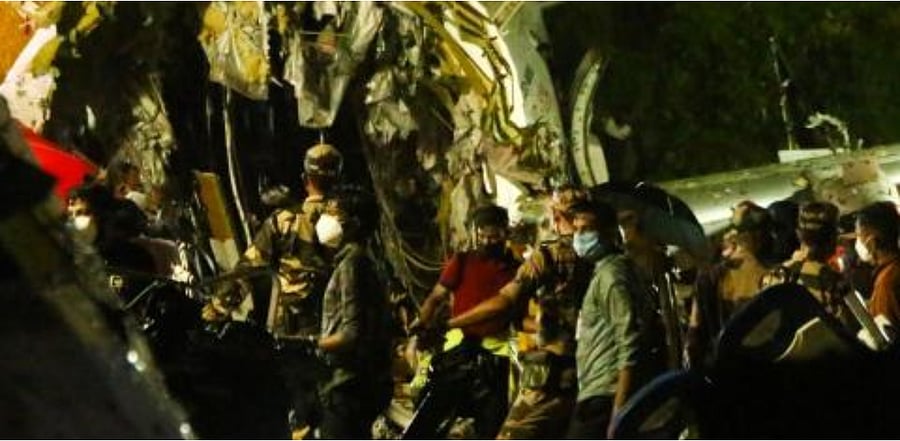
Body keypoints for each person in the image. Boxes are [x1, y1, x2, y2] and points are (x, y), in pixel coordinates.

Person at [201, 141, 343, 436]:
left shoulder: (284, 221)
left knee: (295, 410)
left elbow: (247, 271)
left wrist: (215, 311)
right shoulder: (353, 222)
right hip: (338, 332)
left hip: (291, 331)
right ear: (338, 179)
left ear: (305, 179)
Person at [443, 186, 592, 439]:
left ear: (556, 216)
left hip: (554, 374)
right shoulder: (607, 257)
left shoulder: (548, 255)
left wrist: (452, 323)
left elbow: (504, 301)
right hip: (592, 370)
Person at [409, 204, 520, 439]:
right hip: (458, 348)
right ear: (474, 234)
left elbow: (511, 311)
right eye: (484, 235)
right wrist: (421, 324)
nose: (489, 241)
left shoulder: (517, 270)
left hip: (496, 353)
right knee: (431, 411)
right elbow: (435, 297)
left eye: (495, 235)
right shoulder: (463, 261)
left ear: (505, 233)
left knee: (490, 423)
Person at [565, 199, 657, 439]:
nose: (579, 237)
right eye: (575, 229)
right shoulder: (608, 272)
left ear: (608, 233)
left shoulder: (611, 276)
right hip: (598, 391)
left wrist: (618, 411)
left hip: (605, 395)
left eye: (586, 229)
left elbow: (629, 341)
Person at [308, 188, 393, 439]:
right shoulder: (363, 259)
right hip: (360, 382)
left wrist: (311, 344)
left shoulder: (353, 264)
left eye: (333, 213)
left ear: (353, 224)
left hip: (348, 385)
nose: (325, 219)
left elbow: (351, 333)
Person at [686, 201, 776, 368]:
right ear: (761, 236)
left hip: (721, 370)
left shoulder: (708, 277)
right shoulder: (772, 275)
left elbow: (694, 332)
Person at [764, 202, 850, 324]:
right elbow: (846, 330)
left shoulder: (774, 275)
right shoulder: (833, 282)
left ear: (799, 234)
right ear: (832, 237)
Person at [855, 201, 900, 337]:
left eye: (859, 236)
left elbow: (888, 338)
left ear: (872, 243)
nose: (858, 243)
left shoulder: (886, 284)